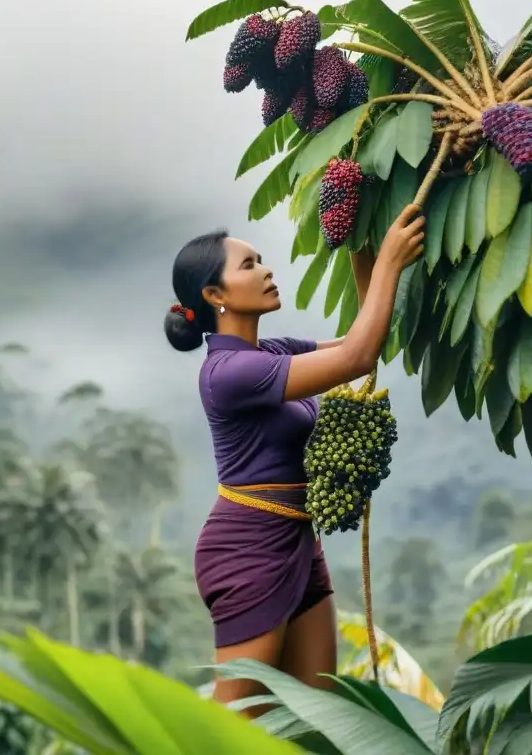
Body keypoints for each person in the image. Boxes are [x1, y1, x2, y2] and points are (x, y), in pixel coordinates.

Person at [162, 203, 426, 715]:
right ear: (214, 296)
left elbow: (360, 338)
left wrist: (362, 244)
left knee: (317, 717)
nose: (265, 270)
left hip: (298, 541)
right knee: (238, 727)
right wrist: (392, 261)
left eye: (261, 259)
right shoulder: (229, 373)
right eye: (248, 265)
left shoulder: (271, 352)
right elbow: (357, 359)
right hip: (247, 549)